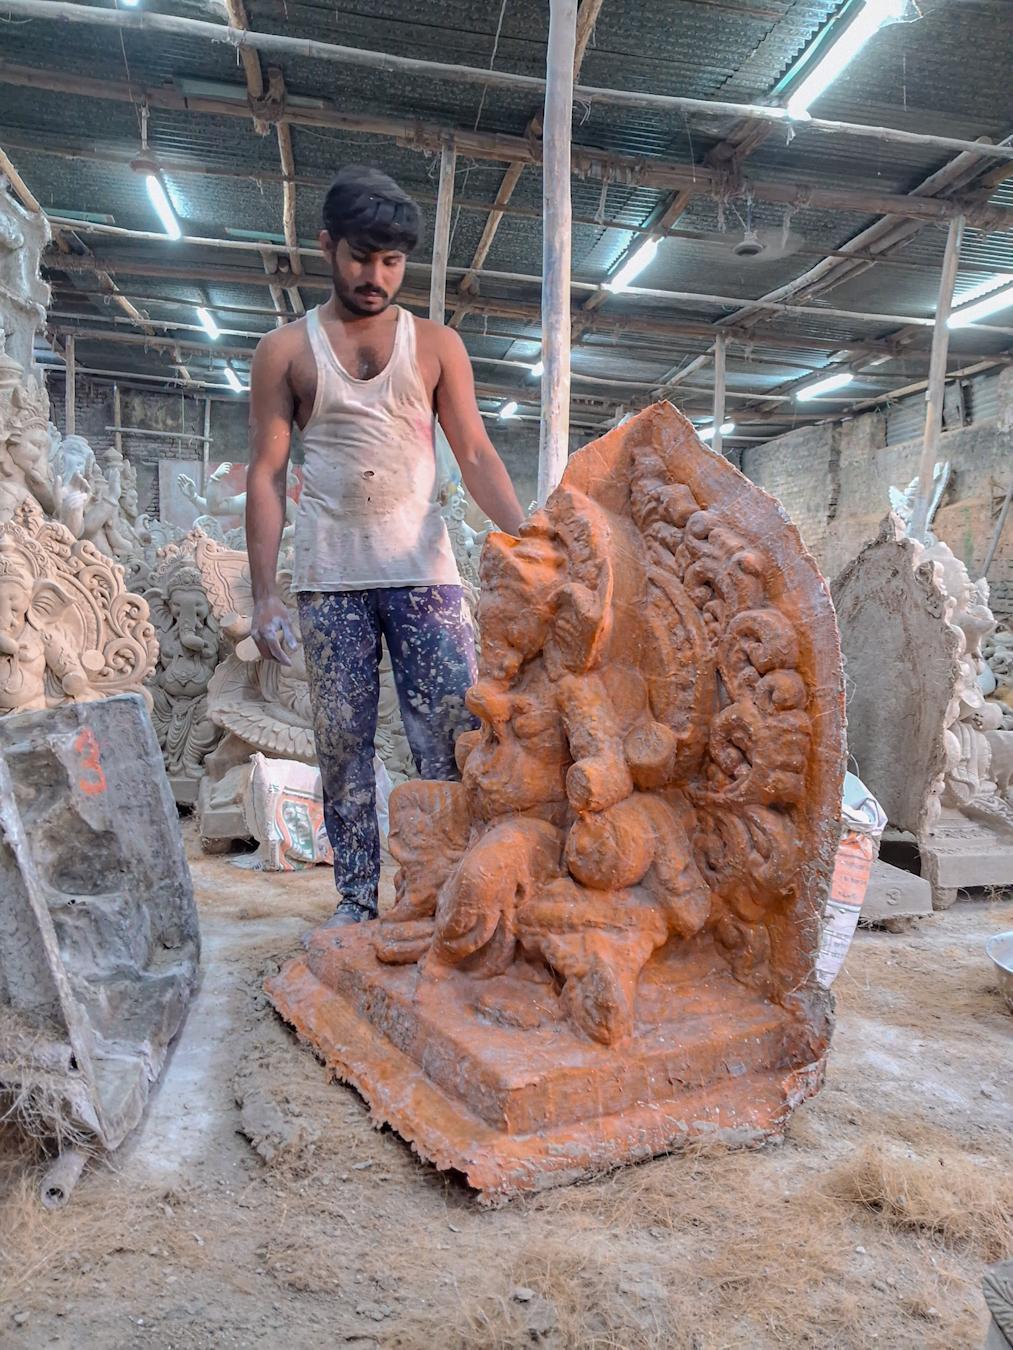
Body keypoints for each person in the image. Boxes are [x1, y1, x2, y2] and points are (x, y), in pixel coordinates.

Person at [246, 164, 525, 928]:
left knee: (447, 741)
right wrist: (264, 593)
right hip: (329, 581)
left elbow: (473, 453)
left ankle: (436, 891)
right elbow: (267, 476)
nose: (376, 277)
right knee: (343, 750)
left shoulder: (435, 345)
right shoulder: (284, 351)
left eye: (392, 262)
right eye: (361, 257)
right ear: (327, 246)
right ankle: (355, 899)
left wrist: (529, 535)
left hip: (423, 579)